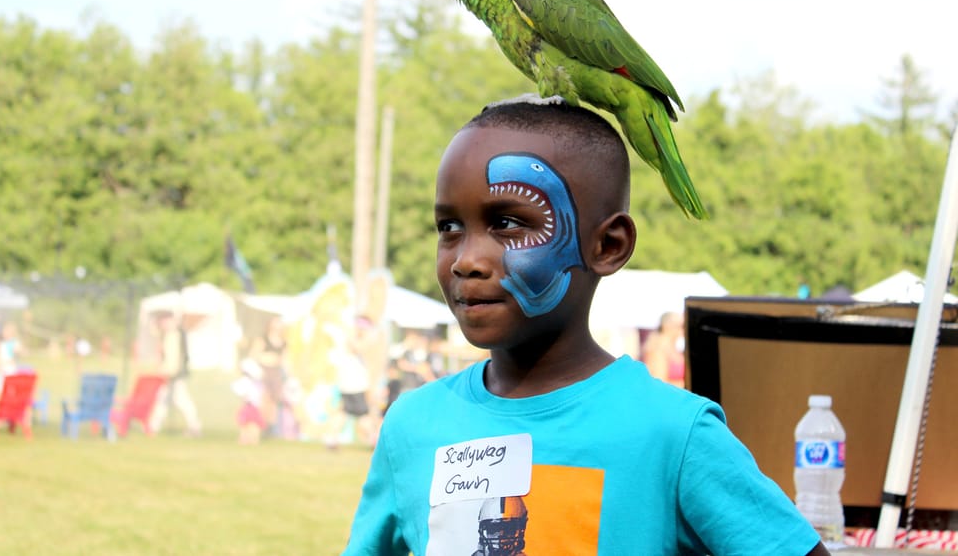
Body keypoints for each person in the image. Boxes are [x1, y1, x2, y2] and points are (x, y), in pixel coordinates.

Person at [343, 96, 829, 555]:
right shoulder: (414, 424)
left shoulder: (674, 435)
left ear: (608, 245)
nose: (467, 259)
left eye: (509, 223)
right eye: (449, 228)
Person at [148, 310, 202, 437]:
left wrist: (167, 373)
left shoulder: (174, 335)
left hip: (174, 376)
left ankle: (194, 427)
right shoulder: (171, 334)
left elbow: (173, 359)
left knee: (181, 401)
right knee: (164, 401)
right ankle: (153, 427)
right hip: (171, 375)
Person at [641, 311, 687, 388]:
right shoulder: (657, 350)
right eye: (682, 326)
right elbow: (659, 384)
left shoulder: (676, 350)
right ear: (670, 326)